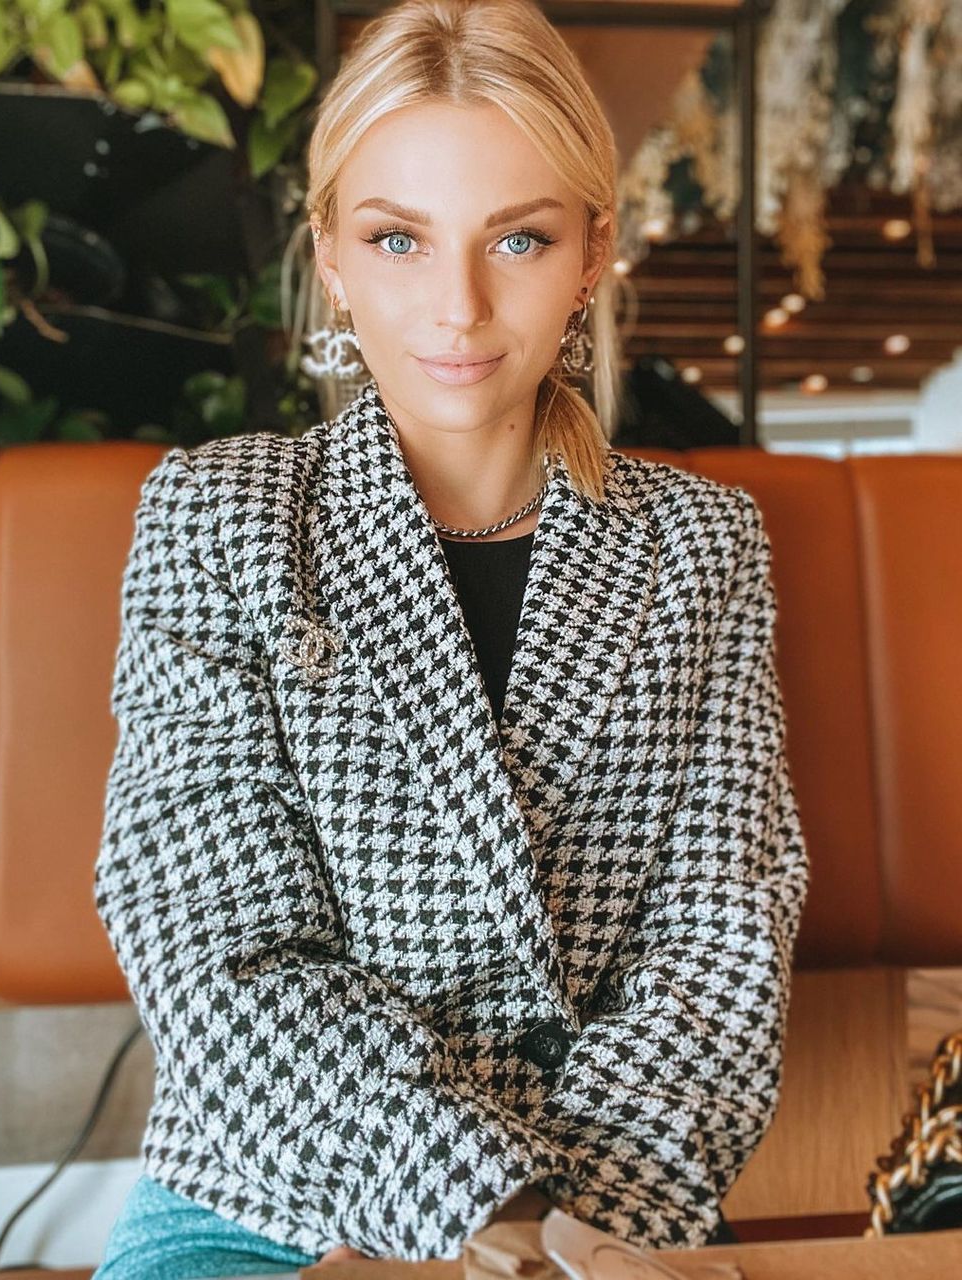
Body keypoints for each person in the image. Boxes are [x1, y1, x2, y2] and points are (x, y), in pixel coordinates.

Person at [91, 1, 809, 1276]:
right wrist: (483, 1210)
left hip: (614, 1204)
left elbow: (721, 929)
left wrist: (575, 1231)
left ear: (591, 252)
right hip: (274, 1197)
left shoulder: (701, 545)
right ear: (331, 253)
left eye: (517, 238)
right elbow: (213, 938)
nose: (458, 306)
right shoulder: (220, 516)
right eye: (398, 239)